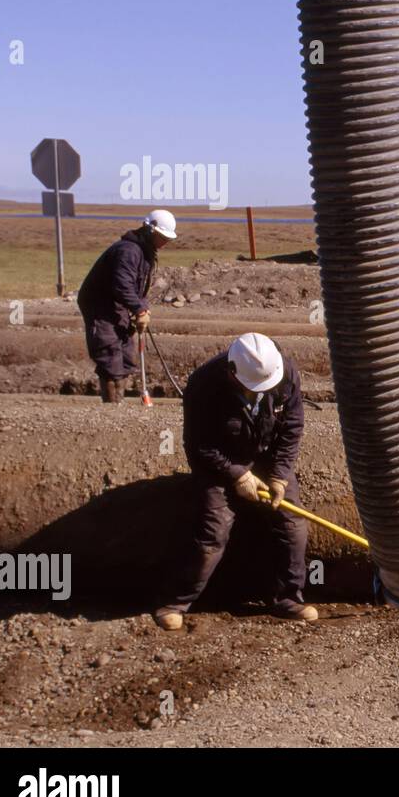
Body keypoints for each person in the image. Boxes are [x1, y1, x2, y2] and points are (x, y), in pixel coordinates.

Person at [154, 333, 315, 630]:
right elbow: (199, 445)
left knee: (293, 524)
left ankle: (288, 599)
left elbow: (292, 428)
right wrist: (237, 474)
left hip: (266, 457)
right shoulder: (204, 385)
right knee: (213, 532)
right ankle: (176, 601)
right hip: (219, 462)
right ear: (232, 373)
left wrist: (279, 476)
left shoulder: (284, 372)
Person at [77, 209, 175, 402]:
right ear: (150, 230)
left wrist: (142, 308)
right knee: (110, 355)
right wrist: (138, 309)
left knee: (126, 358)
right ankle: (113, 409)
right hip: (101, 306)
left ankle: (118, 403)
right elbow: (122, 285)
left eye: (167, 239)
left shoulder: (144, 252)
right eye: (163, 237)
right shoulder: (128, 251)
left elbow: (137, 287)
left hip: (117, 305)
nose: (165, 243)